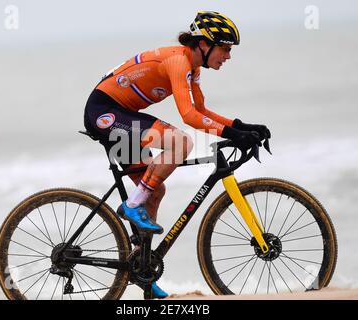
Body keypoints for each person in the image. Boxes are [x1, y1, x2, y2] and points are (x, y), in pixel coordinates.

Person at [83, 11, 271, 298]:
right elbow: (188, 117)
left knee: (155, 191)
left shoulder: (192, 68)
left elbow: (202, 111)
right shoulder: (177, 61)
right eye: (226, 48)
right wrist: (233, 135)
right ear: (204, 44)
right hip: (104, 113)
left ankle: (142, 272)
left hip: (121, 114)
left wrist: (241, 126)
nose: (229, 56)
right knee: (180, 143)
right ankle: (131, 205)